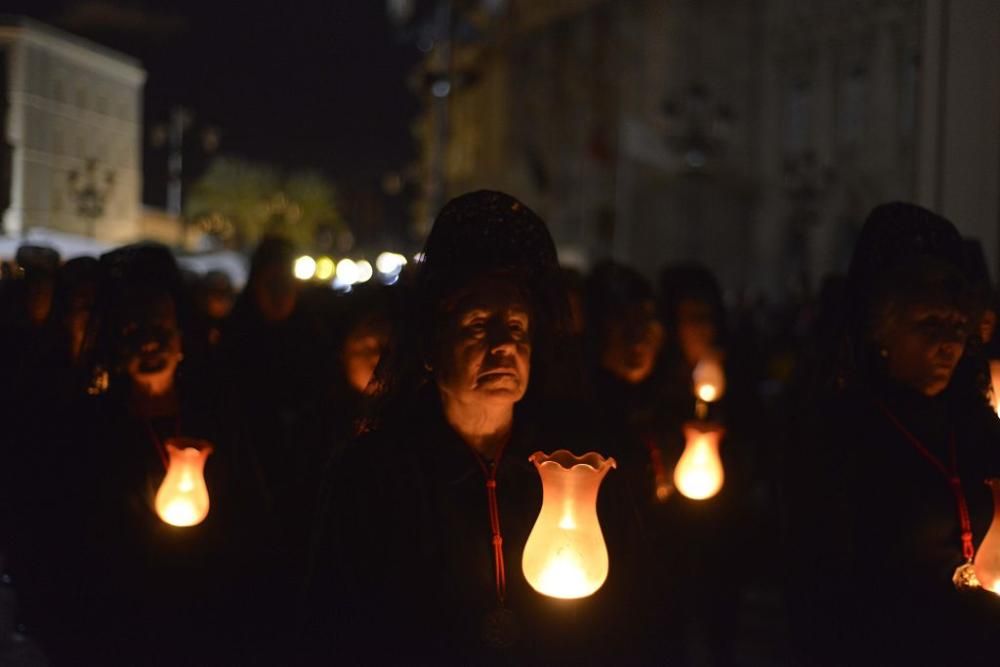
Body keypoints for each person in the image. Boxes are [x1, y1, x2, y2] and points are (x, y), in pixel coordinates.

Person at [304, 191, 636, 663]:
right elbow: (337, 624)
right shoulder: (375, 472)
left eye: (517, 327)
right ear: (432, 345)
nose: (503, 345)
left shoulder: (573, 470)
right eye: (479, 325)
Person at [785, 202, 1000, 664]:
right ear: (882, 329)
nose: (948, 342)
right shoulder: (844, 434)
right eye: (929, 324)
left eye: (958, 326)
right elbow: (818, 583)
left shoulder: (979, 428)